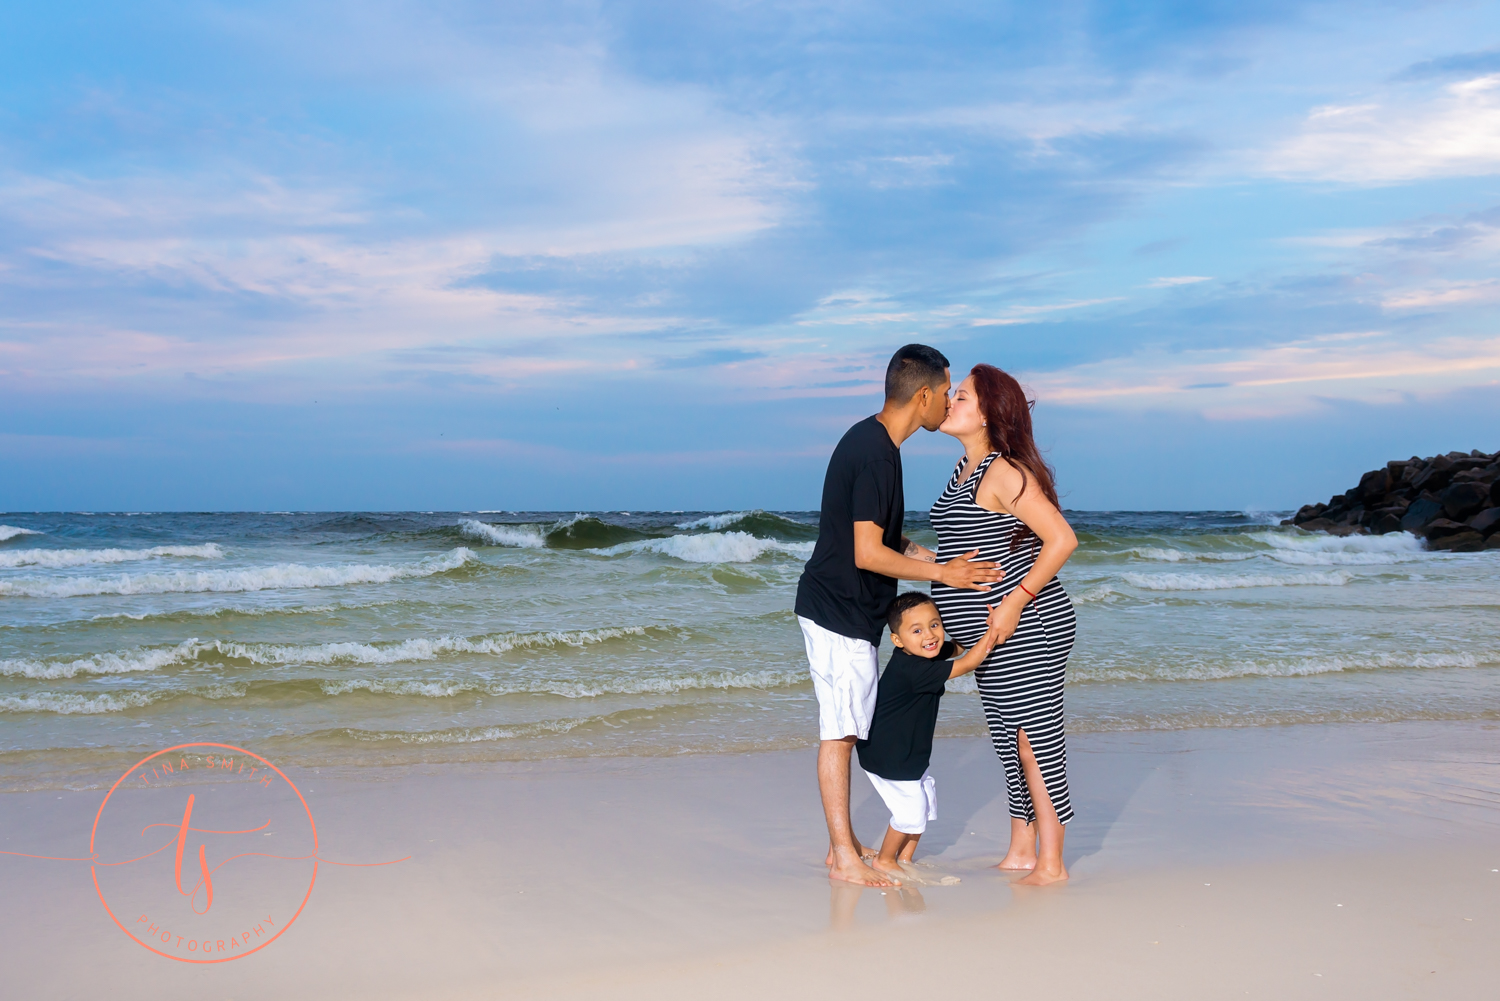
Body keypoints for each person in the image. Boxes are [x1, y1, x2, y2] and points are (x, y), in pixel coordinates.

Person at [795, 343, 1004, 887]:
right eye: (948, 391)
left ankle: (842, 845)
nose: (949, 402)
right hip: (837, 611)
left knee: (849, 723)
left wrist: (940, 561)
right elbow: (866, 553)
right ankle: (842, 855)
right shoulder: (874, 452)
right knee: (840, 732)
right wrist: (943, 577)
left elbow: (887, 540)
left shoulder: (878, 445)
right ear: (925, 395)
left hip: (852, 613)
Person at [929, 364, 1079, 886]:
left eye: (962, 397)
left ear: (990, 413)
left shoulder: (1003, 471)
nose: (950, 402)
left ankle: (1052, 860)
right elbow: (963, 550)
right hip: (986, 632)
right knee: (1006, 733)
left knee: (1033, 739)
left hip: (1030, 623)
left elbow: (1061, 540)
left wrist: (1016, 600)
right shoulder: (962, 471)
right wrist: (919, 561)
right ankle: (1021, 846)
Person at [856, 591, 1003, 881]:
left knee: (924, 800)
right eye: (917, 630)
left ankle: (906, 856)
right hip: (888, 754)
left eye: (935, 624)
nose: (930, 635)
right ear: (897, 640)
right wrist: (996, 629)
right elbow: (969, 661)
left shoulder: (925, 651)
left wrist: (975, 623)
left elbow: (958, 649)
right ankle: (885, 860)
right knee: (911, 809)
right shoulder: (913, 669)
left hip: (908, 751)